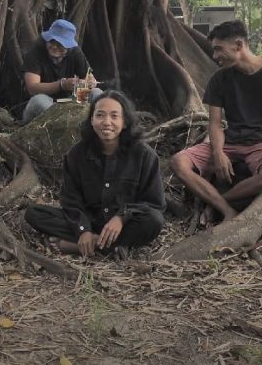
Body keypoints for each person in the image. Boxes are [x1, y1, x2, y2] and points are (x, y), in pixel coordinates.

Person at [171, 20, 262, 225]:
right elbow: (215, 123)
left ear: (238, 45)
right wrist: (218, 153)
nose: (215, 56)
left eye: (219, 49)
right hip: (230, 142)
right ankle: (225, 209)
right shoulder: (219, 79)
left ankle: (215, 202)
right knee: (178, 162)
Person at [24, 90, 165, 257]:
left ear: (125, 122)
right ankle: (110, 245)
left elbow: (155, 204)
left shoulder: (144, 155)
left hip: (125, 225)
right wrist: (83, 230)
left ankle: (84, 246)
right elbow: (71, 202)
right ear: (91, 120)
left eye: (114, 116)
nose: (107, 122)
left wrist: (122, 217)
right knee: (34, 214)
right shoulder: (76, 155)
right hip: (90, 221)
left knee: (154, 220)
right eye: (100, 116)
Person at [21, 19, 102, 123]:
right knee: (38, 101)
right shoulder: (35, 51)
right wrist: (62, 85)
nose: (54, 47)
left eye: (60, 44)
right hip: (47, 102)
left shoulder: (75, 52)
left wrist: (89, 83)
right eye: (51, 41)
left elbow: (89, 78)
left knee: (97, 93)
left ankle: (91, 127)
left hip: (70, 101)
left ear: (68, 46)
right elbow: (32, 88)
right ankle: (64, 128)